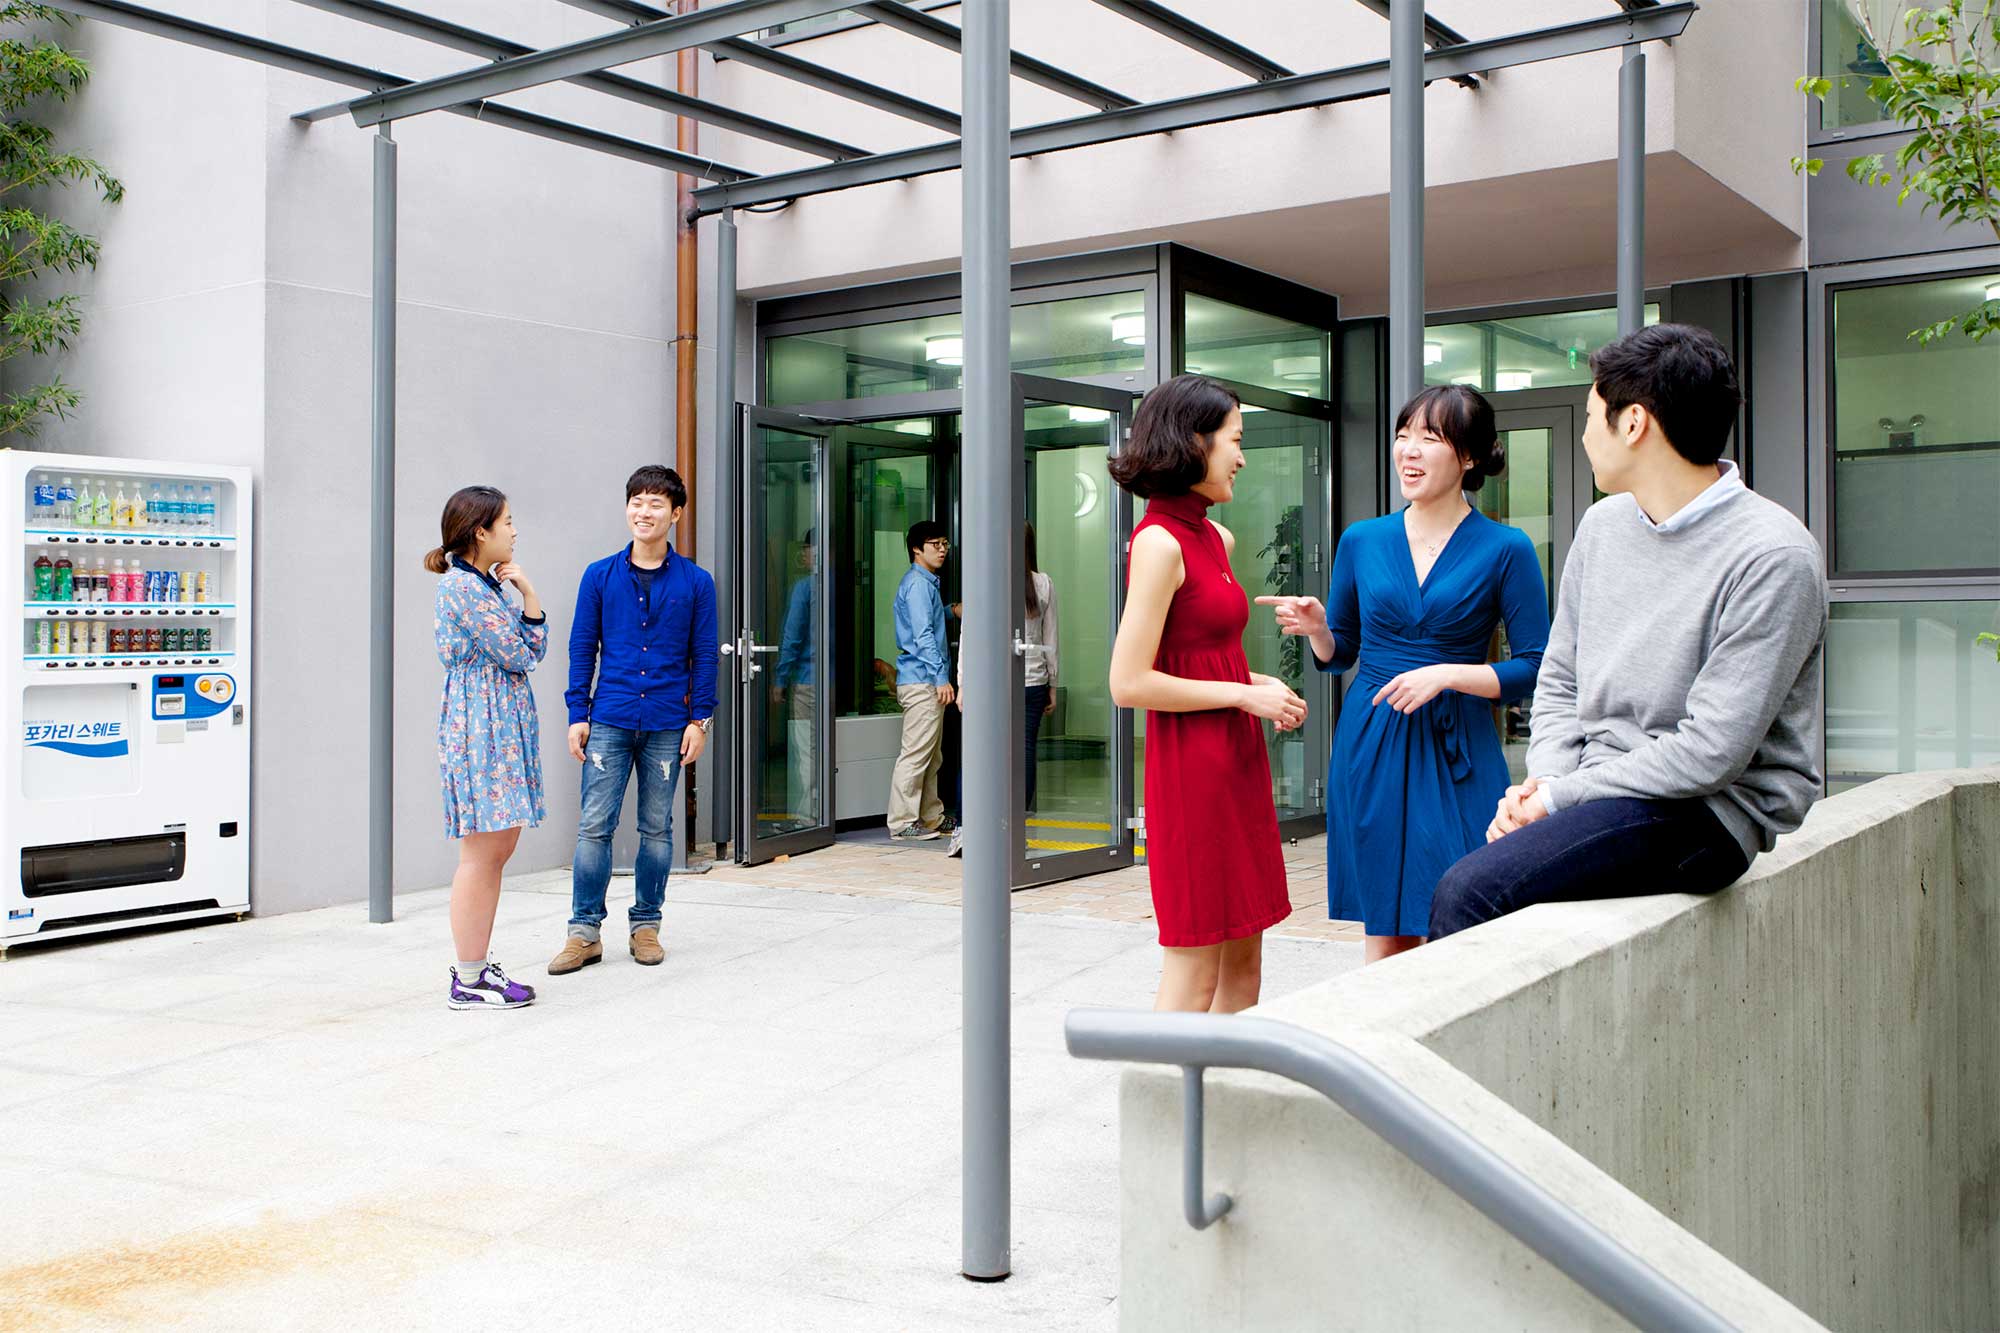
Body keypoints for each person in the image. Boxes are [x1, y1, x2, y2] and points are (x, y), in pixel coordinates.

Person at [1429, 323, 1828, 939]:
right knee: (1493, 879)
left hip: (1704, 813)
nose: (1586, 434)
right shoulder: (1604, 525)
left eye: (1591, 415)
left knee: (1470, 892)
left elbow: (1710, 754)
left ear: (1634, 423)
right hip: (1600, 789)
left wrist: (1559, 801)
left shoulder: (1774, 555)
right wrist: (1550, 782)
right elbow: (1561, 678)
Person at [1260, 385, 1548, 964]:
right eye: (1403, 436)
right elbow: (1341, 654)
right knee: (1385, 926)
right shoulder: (1363, 540)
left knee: (1464, 917)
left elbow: (1536, 667)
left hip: (1459, 749)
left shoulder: (1506, 548)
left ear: (1468, 457)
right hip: (1372, 745)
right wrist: (1319, 628)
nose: (1408, 452)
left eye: (1430, 438)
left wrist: (1449, 674)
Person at [1108, 374, 1305, 1013]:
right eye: (1235, 440)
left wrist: (1255, 683)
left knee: (1245, 964)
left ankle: (1223, 1110)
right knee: (1195, 971)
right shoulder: (1160, 542)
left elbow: (1202, 655)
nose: (1242, 457)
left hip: (1236, 764)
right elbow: (1128, 682)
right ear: (1193, 442)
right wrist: (1243, 696)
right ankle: (1166, 1114)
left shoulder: (1216, 538)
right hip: (1192, 772)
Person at [550, 465, 718, 975]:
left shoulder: (696, 582)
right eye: (637, 502)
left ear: (676, 514)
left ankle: (646, 926)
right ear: (627, 508)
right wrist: (578, 712)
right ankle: (584, 933)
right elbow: (583, 647)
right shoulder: (599, 575)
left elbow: (705, 655)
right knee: (593, 827)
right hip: (610, 719)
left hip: (669, 722)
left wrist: (700, 721)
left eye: (656, 504)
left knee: (657, 829)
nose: (644, 512)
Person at [427, 485, 546, 1011]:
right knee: (482, 853)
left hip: (493, 721)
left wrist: (524, 598)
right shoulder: (466, 589)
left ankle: (475, 968)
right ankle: (469, 976)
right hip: (481, 725)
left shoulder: (483, 586)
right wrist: (531, 601)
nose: (515, 531)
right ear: (482, 531)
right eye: (508, 522)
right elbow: (520, 653)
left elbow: (525, 651)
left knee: (497, 849)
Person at [948, 521, 1059, 858]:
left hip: (987, 683)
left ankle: (966, 830)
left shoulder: (982, 578)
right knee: (1023, 752)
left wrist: (964, 682)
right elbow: (1051, 638)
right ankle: (1013, 829)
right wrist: (1053, 682)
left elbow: (968, 636)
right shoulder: (1043, 584)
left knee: (976, 756)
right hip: (1032, 680)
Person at [887, 519, 959, 841]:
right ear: (917, 549)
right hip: (922, 680)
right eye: (935, 544)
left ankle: (931, 816)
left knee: (932, 753)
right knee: (916, 753)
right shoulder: (917, 585)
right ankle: (902, 822)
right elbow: (923, 636)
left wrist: (949, 611)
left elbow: (928, 620)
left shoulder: (926, 583)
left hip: (924, 678)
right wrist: (941, 678)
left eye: (944, 543)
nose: (942, 549)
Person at [773, 526, 818, 819]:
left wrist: (779, 679)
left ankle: (808, 816)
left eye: (807, 549)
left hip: (805, 681)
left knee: (806, 750)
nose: (803, 554)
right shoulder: (838, 584)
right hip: (830, 683)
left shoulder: (804, 588)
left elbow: (792, 637)